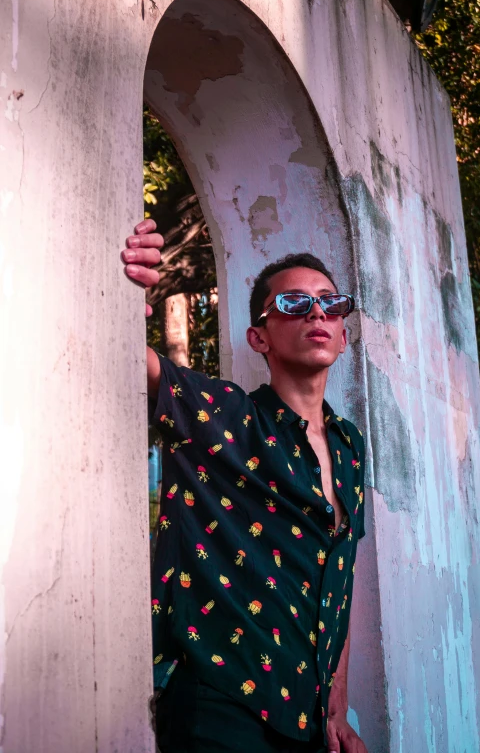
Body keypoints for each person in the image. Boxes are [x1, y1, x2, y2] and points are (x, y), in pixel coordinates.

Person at [122, 219, 368, 753]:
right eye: (294, 304)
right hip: (220, 704)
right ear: (259, 336)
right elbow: (122, 354)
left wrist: (337, 709)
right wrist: (126, 287)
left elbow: (339, 578)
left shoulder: (350, 448)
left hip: (304, 717)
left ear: (344, 334)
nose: (317, 313)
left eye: (329, 302)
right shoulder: (224, 416)